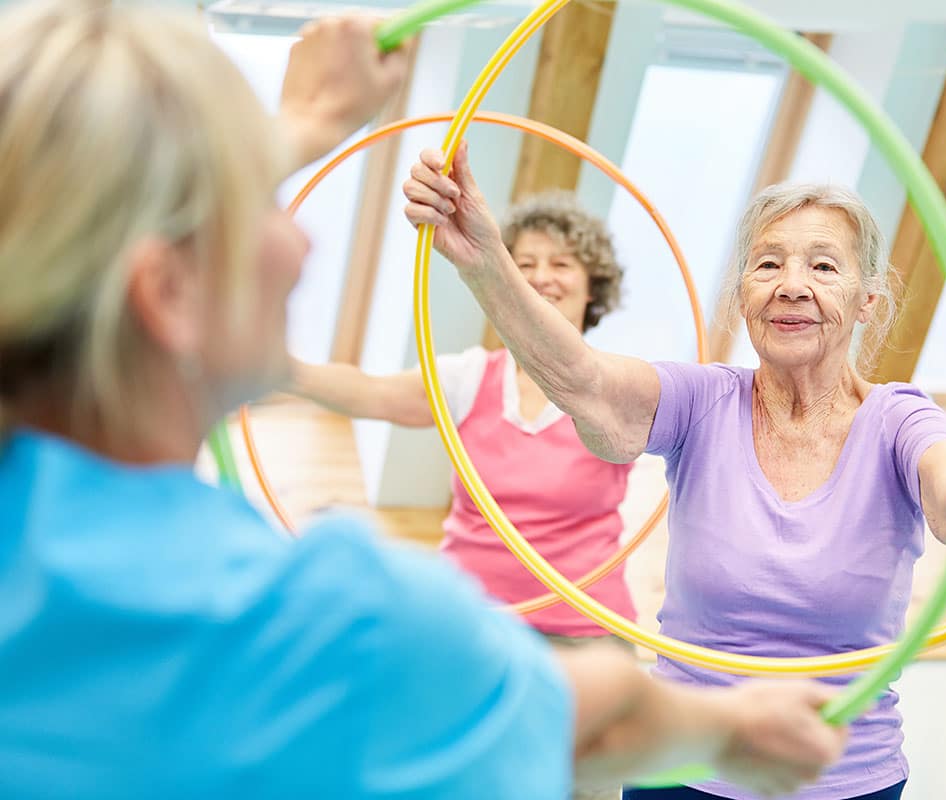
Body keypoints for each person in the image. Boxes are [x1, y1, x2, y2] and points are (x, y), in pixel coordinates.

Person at [0, 2, 849, 798]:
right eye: (257, 207)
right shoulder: (338, 623)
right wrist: (732, 724)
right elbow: (602, 719)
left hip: (580, 628)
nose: (300, 244)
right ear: (168, 294)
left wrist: (301, 130)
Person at [400, 143, 946, 800]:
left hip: (841, 774)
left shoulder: (899, 419)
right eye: (768, 263)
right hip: (681, 762)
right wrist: (484, 262)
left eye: (823, 266)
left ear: (869, 301)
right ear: (744, 296)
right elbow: (586, 382)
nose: (791, 283)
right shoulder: (703, 401)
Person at [291, 193, 637, 643]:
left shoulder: (624, 387)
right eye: (525, 264)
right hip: (471, 618)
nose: (541, 277)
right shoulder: (471, 377)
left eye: (562, 264)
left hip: (584, 627)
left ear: (593, 286)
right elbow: (369, 393)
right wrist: (278, 370)